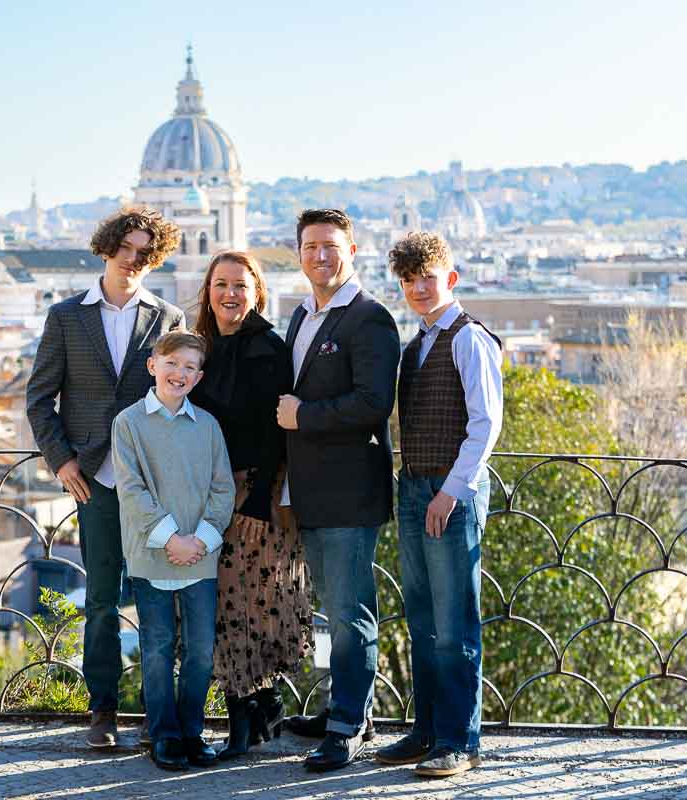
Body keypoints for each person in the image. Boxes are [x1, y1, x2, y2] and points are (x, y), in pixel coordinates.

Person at [26, 206, 185, 749]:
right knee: (100, 598)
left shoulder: (168, 317)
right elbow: (39, 398)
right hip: (93, 478)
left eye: (147, 253)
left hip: (152, 482)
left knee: (159, 594)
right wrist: (62, 461)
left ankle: (160, 712)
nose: (135, 260)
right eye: (128, 249)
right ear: (107, 248)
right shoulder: (66, 317)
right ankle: (103, 709)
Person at [276, 208, 401, 772]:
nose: (320, 256)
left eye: (330, 246)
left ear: (351, 250)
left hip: (351, 490)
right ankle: (345, 711)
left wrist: (306, 416)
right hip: (311, 490)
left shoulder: (370, 318)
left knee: (351, 612)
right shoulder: (301, 316)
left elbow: (374, 404)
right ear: (298, 253)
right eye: (310, 247)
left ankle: (349, 724)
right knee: (334, 609)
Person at [373, 231, 502, 778]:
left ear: (450, 278)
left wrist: (451, 492)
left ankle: (459, 739)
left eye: (428, 277)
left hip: (451, 492)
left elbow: (485, 424)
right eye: (409, 280)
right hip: (415, 488)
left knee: (454, 622)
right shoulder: (417, 344)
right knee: (421, 617)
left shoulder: (470, 339)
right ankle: (427, 731)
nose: (419, 288)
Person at [189, 251, 313, 761]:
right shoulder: (200, 347)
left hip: (255, 495)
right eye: (221, 284)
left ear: (257, 291)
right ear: (208, 290)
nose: (230, 294)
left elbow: (276, 432)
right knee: (227, 605)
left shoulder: (268, 347)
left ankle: (246, 718)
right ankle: (261, 708)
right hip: (206, 495)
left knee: (249, 604)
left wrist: (260, 499)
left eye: (240, 285)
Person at [111, 331, 236, 771]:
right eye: (172, 363)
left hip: (200, 556)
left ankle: (192, 731)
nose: (179, 373)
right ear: (153, 366)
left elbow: (224, 488)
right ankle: (163, 733)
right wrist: (171, 539)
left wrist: (200, 539)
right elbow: (131, 489)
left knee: (201, 650)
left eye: (189, 367)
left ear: (199, 377)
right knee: (158, 647)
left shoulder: (208, 426)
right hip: (151, 555)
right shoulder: (128, 423)